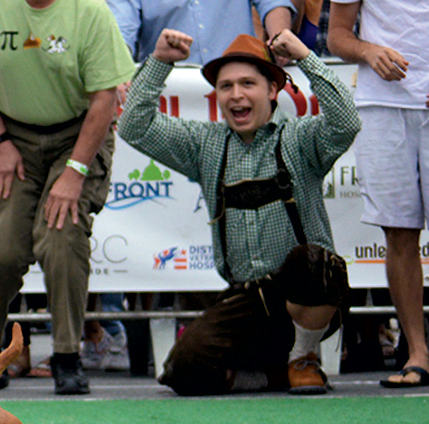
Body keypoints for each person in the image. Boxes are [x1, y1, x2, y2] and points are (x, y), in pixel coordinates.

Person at [120, 28, 357, 393]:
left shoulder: (301, 138)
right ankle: (272, 375)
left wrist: (305, 57)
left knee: (315, 263)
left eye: (248, 83)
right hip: (246, 298)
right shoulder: (205, 144)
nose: (236, 95)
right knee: (181, 370)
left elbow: (346, 122)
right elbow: (135, 127)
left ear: (273, 90)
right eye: (226, 86)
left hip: (307, 294)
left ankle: (304, 358)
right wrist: (159, 62)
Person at [0, 0, 133, 395]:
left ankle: (67, 354)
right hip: (14, 133)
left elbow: (105, 97)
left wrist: (75, 171)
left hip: (78, 131)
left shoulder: (91, 12)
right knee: (5, 251)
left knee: (62, 236)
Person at [329, 0, 429, 389]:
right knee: (399, 233)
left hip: (390, 104)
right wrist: (369, 50)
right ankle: (418, 353)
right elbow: (337, 35)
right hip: (382, 104)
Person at [105, 0, 294, 62]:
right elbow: (120, 32)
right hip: (171, 95)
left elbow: (273, 2)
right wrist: (116, 70)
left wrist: (279, 40)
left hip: (241, 80)